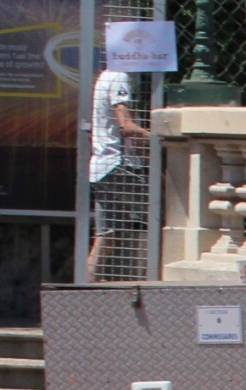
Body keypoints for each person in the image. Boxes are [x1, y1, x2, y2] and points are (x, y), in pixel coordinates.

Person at [86, 61, 153, 282]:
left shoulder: (104, 77)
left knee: (106, 236)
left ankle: (89, 285)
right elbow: (126, 125)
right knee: (160, 217)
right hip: (118, 165)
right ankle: (152, 280)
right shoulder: (119, 77)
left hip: (100, 168)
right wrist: (157, 138)